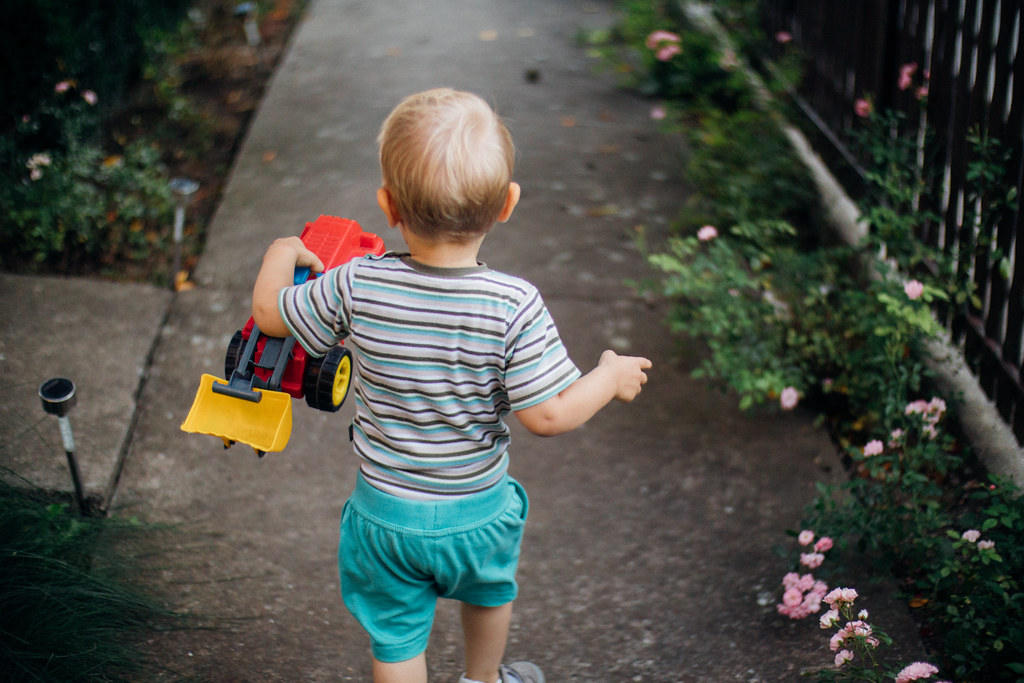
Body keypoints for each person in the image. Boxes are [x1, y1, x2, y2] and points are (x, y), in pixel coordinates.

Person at [251, 88, 652, 683]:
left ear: (388, 205)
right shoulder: (513, 305)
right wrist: (609, 376)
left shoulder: (357, 283)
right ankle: (483, 680)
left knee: (396, 639)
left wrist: (281, 251)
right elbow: (549, 416)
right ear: (507, 204)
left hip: (384, 517)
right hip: (478, 513)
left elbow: (269, 315)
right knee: (490, 594)